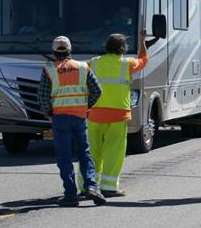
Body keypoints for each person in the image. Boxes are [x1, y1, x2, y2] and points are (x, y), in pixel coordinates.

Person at [87, 29, 157, 197]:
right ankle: (109, 187)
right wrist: (142, 42)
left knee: (92, 150)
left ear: (106, 46)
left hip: (95, 113)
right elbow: (144, 60)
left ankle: (87, 185)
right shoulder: (127, 64)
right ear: (123, 48)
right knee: (114, 150)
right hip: (117, 114)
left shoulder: (93, 62)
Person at [38, 36, 106, 207]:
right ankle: (91, 186)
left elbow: (42, 96)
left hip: (60, 117)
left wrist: (48, 112)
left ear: (54, 52)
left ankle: (70, 194)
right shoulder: (83, 67)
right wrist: (86, 106)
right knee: (85, 152)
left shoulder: (49, 70)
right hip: (80, 116)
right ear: (70, 50)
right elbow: (97, 90)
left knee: (65, 156)